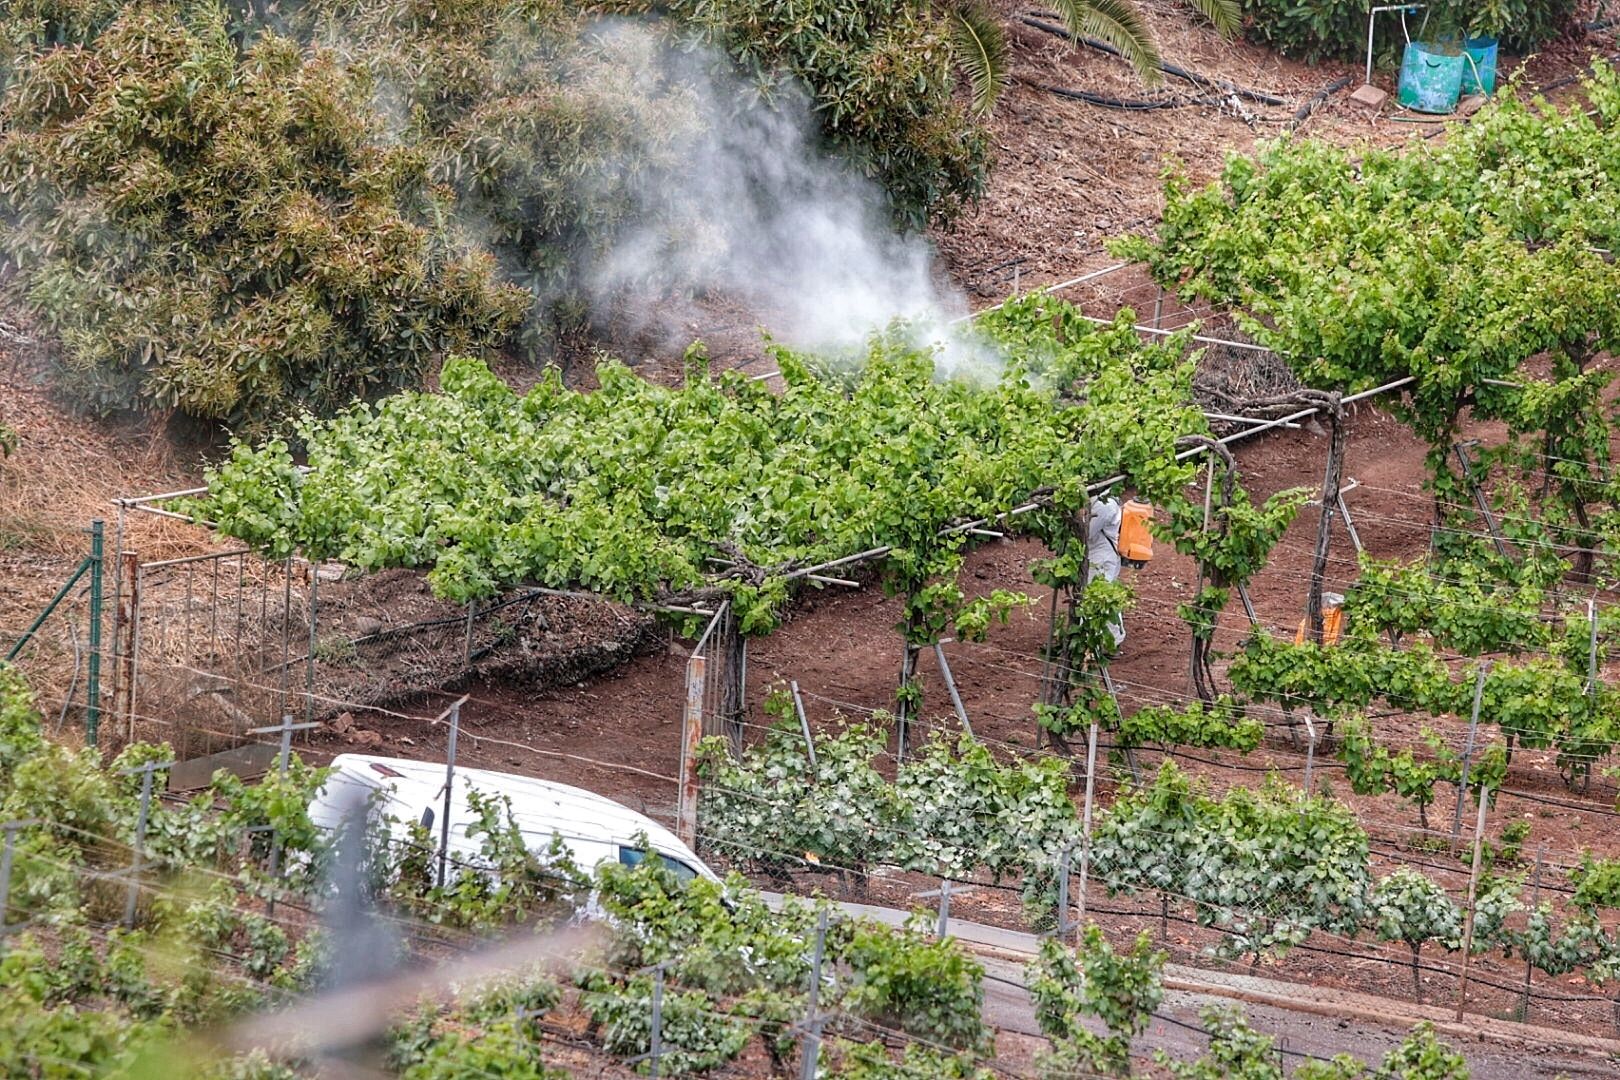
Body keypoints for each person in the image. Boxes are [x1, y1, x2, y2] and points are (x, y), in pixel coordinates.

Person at [1086, 494, 1126, 649]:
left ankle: (1112, 641)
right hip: (1104, 555)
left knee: (1102, 598)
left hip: (1101, 559)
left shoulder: (1104, 505)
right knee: (1103, 597)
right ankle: (1106, 639)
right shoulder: (1104, 501)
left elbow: (1088, 532)